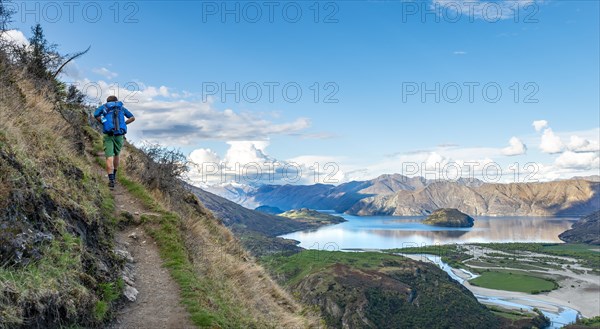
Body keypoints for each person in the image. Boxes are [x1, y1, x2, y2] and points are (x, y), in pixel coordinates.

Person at [93, 96, 135, 188]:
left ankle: (111, 180)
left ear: (107, 102)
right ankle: (114, 176)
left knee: (109, 157)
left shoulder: (104, 107)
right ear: (116, 101)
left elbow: (95, 115)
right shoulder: (121, 107)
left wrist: (103, 122)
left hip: (108, 134)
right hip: (119, 135)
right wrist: (123, 124)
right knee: (117, 155)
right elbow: (132, 118)